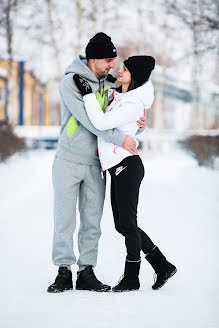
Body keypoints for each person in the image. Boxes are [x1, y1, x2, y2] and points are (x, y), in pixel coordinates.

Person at [47, 33, 146, 293]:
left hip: (96, 163)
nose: (112, 65)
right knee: (64, 220)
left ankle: (86, 271)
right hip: (68, 159)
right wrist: (121, 139)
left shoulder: (107, 84)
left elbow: (120, 118)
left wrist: (137, 128)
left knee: (92, 220)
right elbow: (90, 121)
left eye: (113, 61)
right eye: (108, 60)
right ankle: (63, 271)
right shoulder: (72, 83)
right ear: (92, 59)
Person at [74, 55, 177, 292]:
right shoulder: (123, 97)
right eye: (122, 67)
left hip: (127, 167)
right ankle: (162, 266)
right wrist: (141, 126)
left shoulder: (131, 104)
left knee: (128, 224)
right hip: (119, 167)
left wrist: (88, 94)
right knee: (122, 225)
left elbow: (101, 123)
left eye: (126, 70)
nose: (120, 70)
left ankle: (132, 277)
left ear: (135, 77)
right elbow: (128, 126)